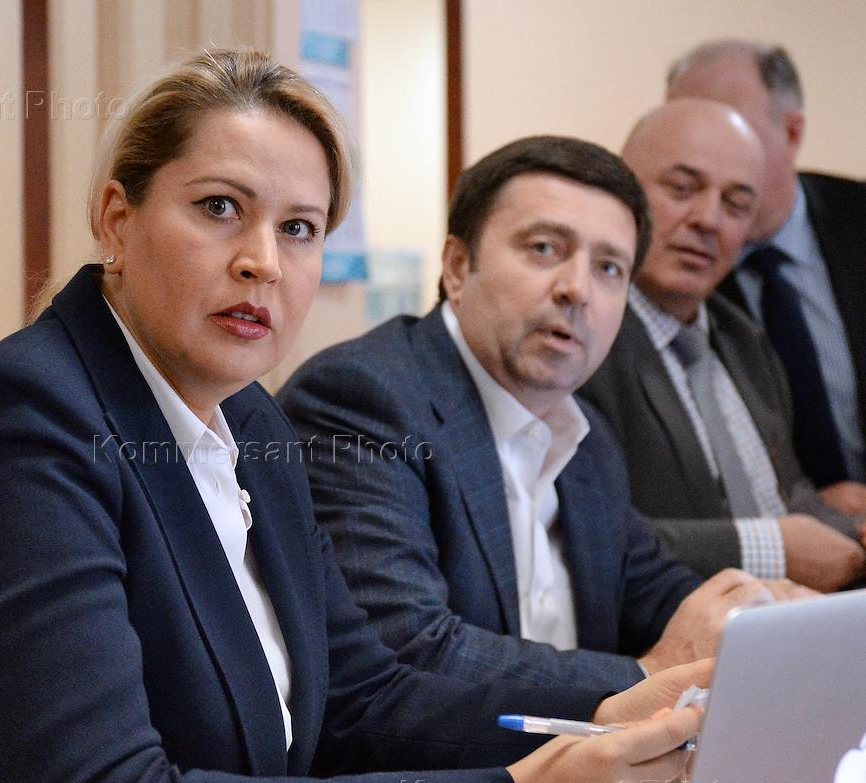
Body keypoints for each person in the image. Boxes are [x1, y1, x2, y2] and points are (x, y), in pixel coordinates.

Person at [0, 51, 706, 783]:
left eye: (299, 229)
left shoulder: (248, 421)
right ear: (117, 220)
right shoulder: (18, 423)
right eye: (219, 208)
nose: (262, 262)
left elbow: (361, 699)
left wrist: (609, 709)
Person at [278, 135, 788, 693]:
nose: (577, 290)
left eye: (609, 268)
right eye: (544, 248)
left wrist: (767, 617)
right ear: (458, 267)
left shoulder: (585, 438)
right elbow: (407, 650)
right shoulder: (364, 399)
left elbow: (655, 591)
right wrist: (646, 677)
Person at [579, 99, 865, 591]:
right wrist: (769, 548)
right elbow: (582, 532)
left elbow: (783, 491)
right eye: (682, 188)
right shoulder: (580, 341)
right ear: (622, 193)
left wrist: (850, 528)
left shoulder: (744, 338)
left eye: (736, 205)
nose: (709, 220)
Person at [667, 40, 866, 509]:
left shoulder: (856, 218)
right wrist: (806, 508)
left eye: (729, 127)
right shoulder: (670, 265)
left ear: (792, 133)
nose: (702, 150)